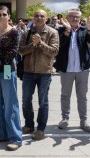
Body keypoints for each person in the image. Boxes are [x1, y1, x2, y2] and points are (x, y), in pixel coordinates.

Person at [18, 9, 59, 140]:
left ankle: (41, 129)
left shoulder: (53, 32)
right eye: (36, 16)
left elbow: (54, 51)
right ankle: (29, 125)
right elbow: (20, 50)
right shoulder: (27, 32)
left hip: (44, 72)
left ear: (46, 18)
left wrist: (40, 43)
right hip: (28, 71)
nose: (39, 18)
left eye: (42, 16)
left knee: (43, 102)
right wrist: (33, 45)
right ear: (33, 19)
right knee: (26, 101)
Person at [54, 9, 90, 133]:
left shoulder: (84, 30)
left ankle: (83, 120)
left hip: (82, 69)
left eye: (77, 17)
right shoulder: (60, 30)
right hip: (66, 69)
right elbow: (59, 45)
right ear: (67, 17)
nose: (75, 18)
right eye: (72, 16)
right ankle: (65, 118)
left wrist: (89, 29)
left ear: (80, 18)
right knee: (65, 94)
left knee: (82, 96)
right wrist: (67, 31)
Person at [0, 5, 22, 151]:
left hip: (8, 69)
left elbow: (14, 52)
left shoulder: (14, 32)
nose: (2, 17)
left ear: (9, 16)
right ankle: (2, 133)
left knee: (10, 104)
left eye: (4, 14)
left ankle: (15, 137)